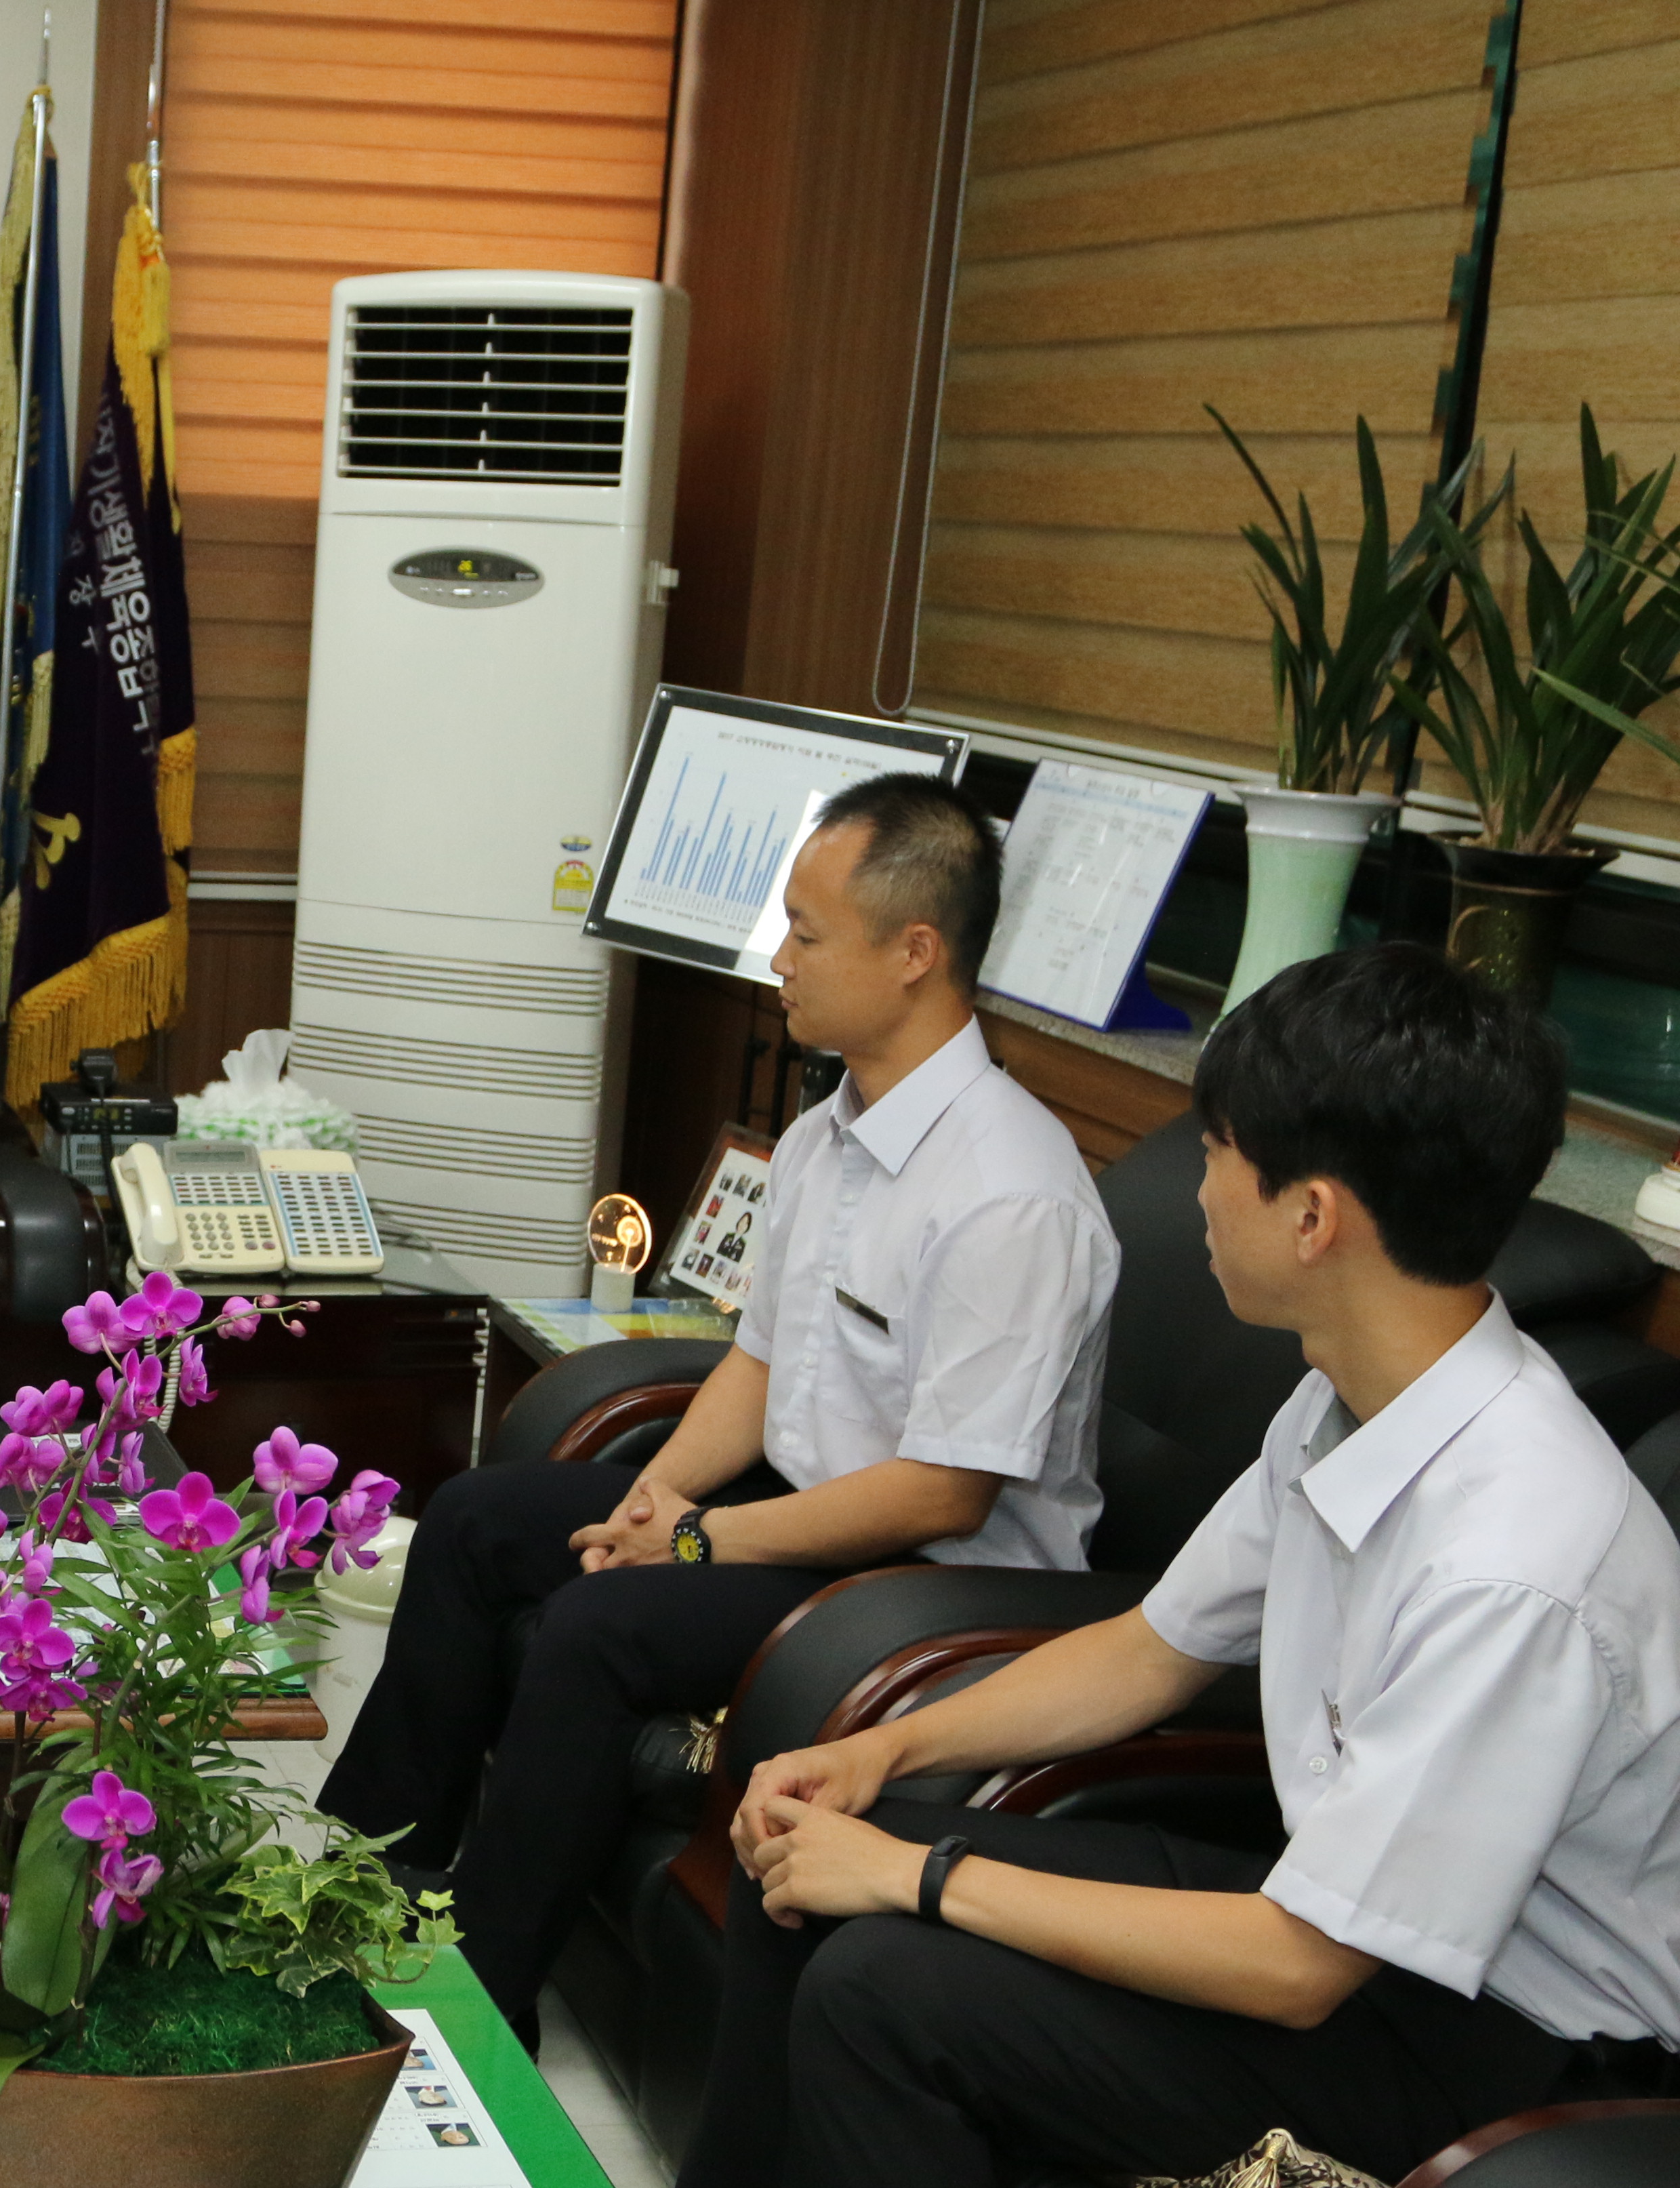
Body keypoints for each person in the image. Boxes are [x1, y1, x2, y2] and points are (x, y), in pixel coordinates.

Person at [659, 946, 1680, 2188]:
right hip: (1352, 1944)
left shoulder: (1516, 1559)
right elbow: (1148, 1650)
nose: (1192, 1186)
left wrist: (922, 1874)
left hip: (1495, 2074)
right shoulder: (1349, 1394)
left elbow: (1296, 1969)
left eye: (1215, 1151)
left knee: (890, 1985)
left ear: (1312, 1217)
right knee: (804, 1865)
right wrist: (879, 1752)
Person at [318, 775, 1118, 2043]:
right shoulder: (825, 1134)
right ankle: (362, 1882)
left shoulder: (1011, 1193)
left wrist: (695, 1543)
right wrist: (659, 1501)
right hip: (799, 1512)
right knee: (475, 1521)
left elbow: (943, 1490)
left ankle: (482, 1995)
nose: (778, 961)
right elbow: (758, 1363)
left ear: (914, 952)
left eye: (806, 932)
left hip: (930, 1578)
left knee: (598, 1625)